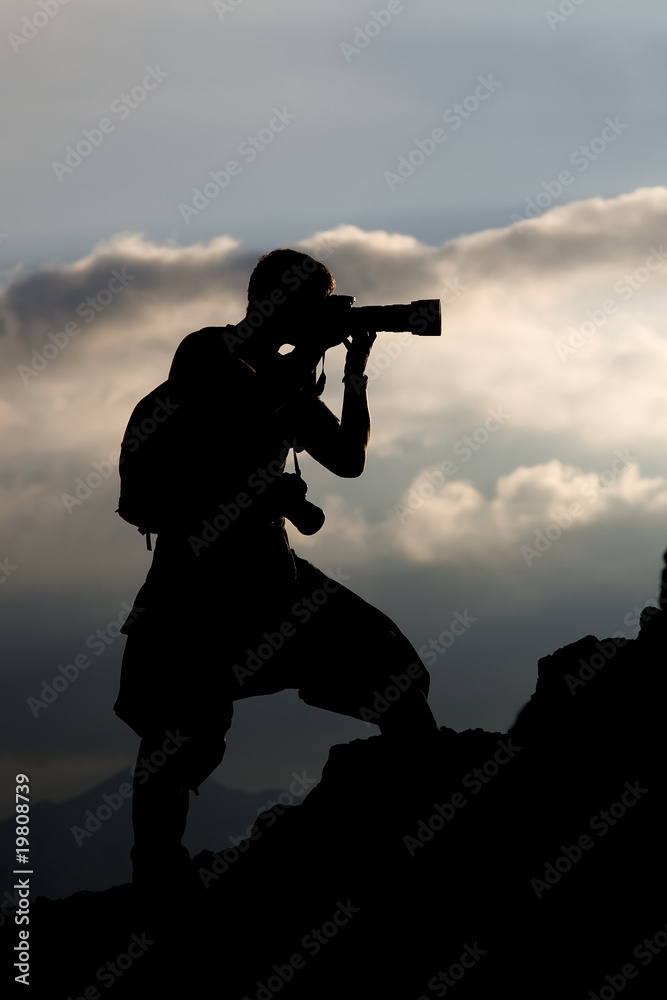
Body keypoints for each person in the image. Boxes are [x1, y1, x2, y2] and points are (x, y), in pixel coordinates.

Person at [114, 249, 437, 888]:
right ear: (273, 304)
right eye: (311, 305)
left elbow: (347, 458)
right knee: (181, 737)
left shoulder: (288, 377)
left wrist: (356, 372)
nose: (321, 317)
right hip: (196, 585)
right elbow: (238, 407)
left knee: (396, 671)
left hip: (271, 574)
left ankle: (416, 828)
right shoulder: (207, 352)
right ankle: (157, 882)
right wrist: (310, 352)